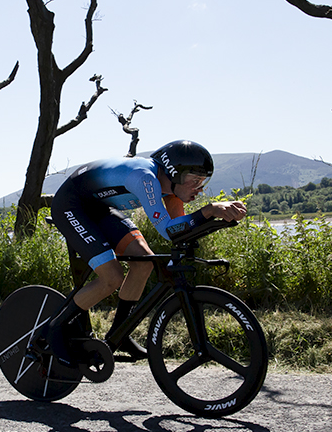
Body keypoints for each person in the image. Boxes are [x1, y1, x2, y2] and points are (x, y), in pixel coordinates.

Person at [45, 139, 247, 365]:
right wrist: (210, 210)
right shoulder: (146, 178)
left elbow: (180, 231)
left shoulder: (171, 191)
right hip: (71, 205)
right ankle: (55, 329)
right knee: (111, 278)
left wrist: (216, 215)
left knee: (144, 263)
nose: (199, 189)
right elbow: (169, 230)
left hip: (100, 207)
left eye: (203, 181)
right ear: (174, 173)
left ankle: (120, 335)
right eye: (195, 181)